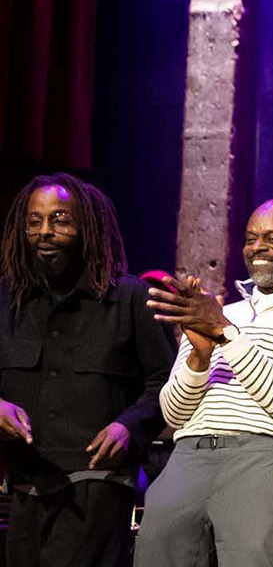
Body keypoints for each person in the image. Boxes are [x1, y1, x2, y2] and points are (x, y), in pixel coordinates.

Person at [135, 199, 273, 567]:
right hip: (187, 456)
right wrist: (198, 355)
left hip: (261, 457)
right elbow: (174, 414)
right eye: (251, 238)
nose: (257, 247)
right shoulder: (219, 312)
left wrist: (226, 335)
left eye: (272, 238)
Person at [0, 173, 175, 567]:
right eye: (34, 221)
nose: (45, 231)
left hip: (97, 483)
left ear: (87, 227)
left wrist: (128, 426)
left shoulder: (130, 299)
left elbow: (164, 380)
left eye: (60, 219)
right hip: (24, 486)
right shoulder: (5, 300)